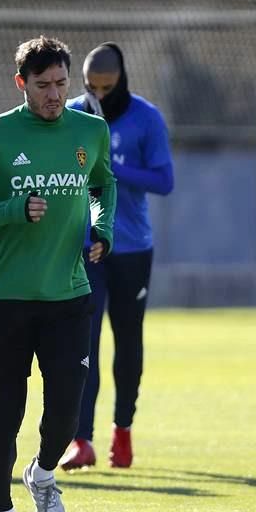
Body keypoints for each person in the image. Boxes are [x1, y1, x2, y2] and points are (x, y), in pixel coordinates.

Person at [0, 35, 116, 512]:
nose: (54, 95)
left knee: (66, 408)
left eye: (62, 84)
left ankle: (43, 474)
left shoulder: (91, 129)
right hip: (6, 297)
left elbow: (102, 185)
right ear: (21, 83)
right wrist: (12, 210)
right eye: (43, 86)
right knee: (6, 412)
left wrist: (102, 229)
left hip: (68, 294)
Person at [59, 42, 174, 471]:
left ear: (122, 81)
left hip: (132, 249)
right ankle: (81, 439)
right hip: (86, 250)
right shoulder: (70, 114)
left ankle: (122, 430)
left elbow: (164, 181)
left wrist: (109, 168)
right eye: (91, 87)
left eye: (106, 88)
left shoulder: (146, 118)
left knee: (128, 342)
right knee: (81, 345)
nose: (98, 96)